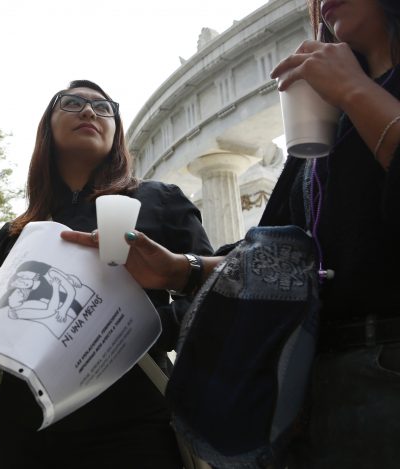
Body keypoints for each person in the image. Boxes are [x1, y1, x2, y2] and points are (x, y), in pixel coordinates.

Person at [64, 1, 400, 466]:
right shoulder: (329, 120)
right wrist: (181, 269)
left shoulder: (353, 94)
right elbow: (284, 259)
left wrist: (354, 89)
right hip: (314, 390)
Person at [0, 80, 212, 468]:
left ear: (116, 131)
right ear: (47, 128)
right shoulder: (14, 232)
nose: (89, 111)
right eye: (72, 103)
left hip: (134, 416)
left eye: (104, 107)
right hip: (29, 424)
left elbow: (211, 293)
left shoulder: (160, 200)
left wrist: (142, 326)